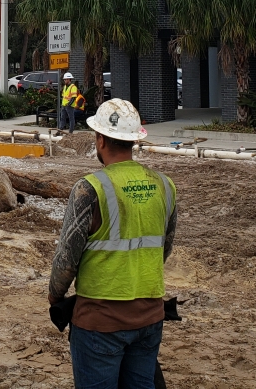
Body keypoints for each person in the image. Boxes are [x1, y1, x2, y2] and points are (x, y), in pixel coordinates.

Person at [48, 99, 177, 389]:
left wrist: (56, 296)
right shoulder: (164, 185)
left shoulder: (89, 188)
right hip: (149, 317)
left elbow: (67, 256)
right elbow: (163, 248)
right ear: (134, 140)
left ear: (101, 139)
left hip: (99, 321)